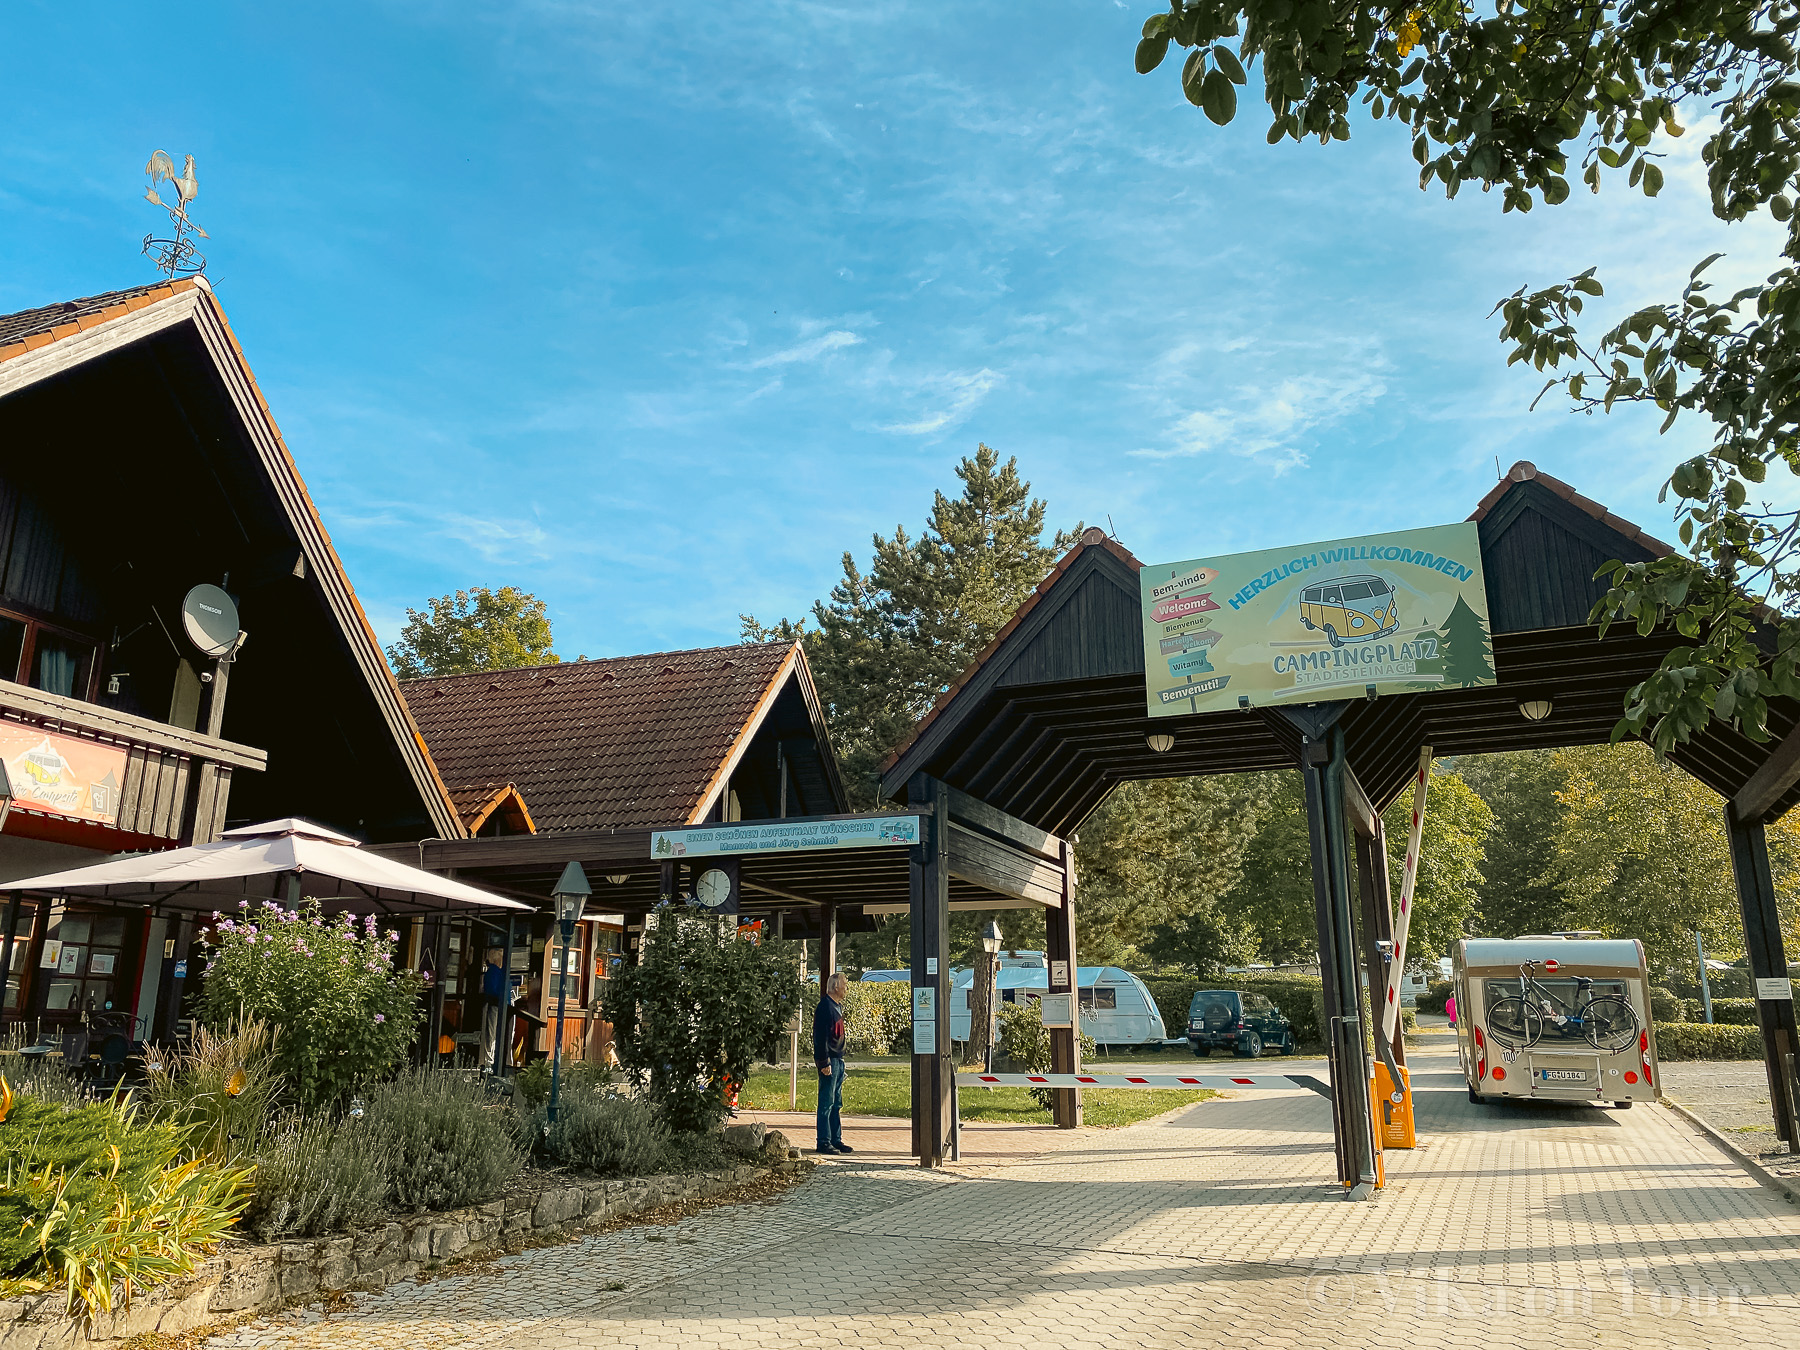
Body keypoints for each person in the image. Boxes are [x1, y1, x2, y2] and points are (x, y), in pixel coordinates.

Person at [813, 971, 851, 1155]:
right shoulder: (825, 1007)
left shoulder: (837, 1006)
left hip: (838, 1059)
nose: (846, 988)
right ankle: (823, 1141)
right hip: (829, 1061)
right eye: (844, 984)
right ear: (836, 986)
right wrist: (823, 1062)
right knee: (827, 1102)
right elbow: (820, 1037)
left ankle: (836, 1139)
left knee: (836, 1102)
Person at [479, 947, 507, 1072]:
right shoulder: (495, 972)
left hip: (496, 1005)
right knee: (492, 1033)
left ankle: (490, 1060)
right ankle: (489, 1061)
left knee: (493, 1033)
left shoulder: (494, 972)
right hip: (495, 1005)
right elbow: (493, 991)